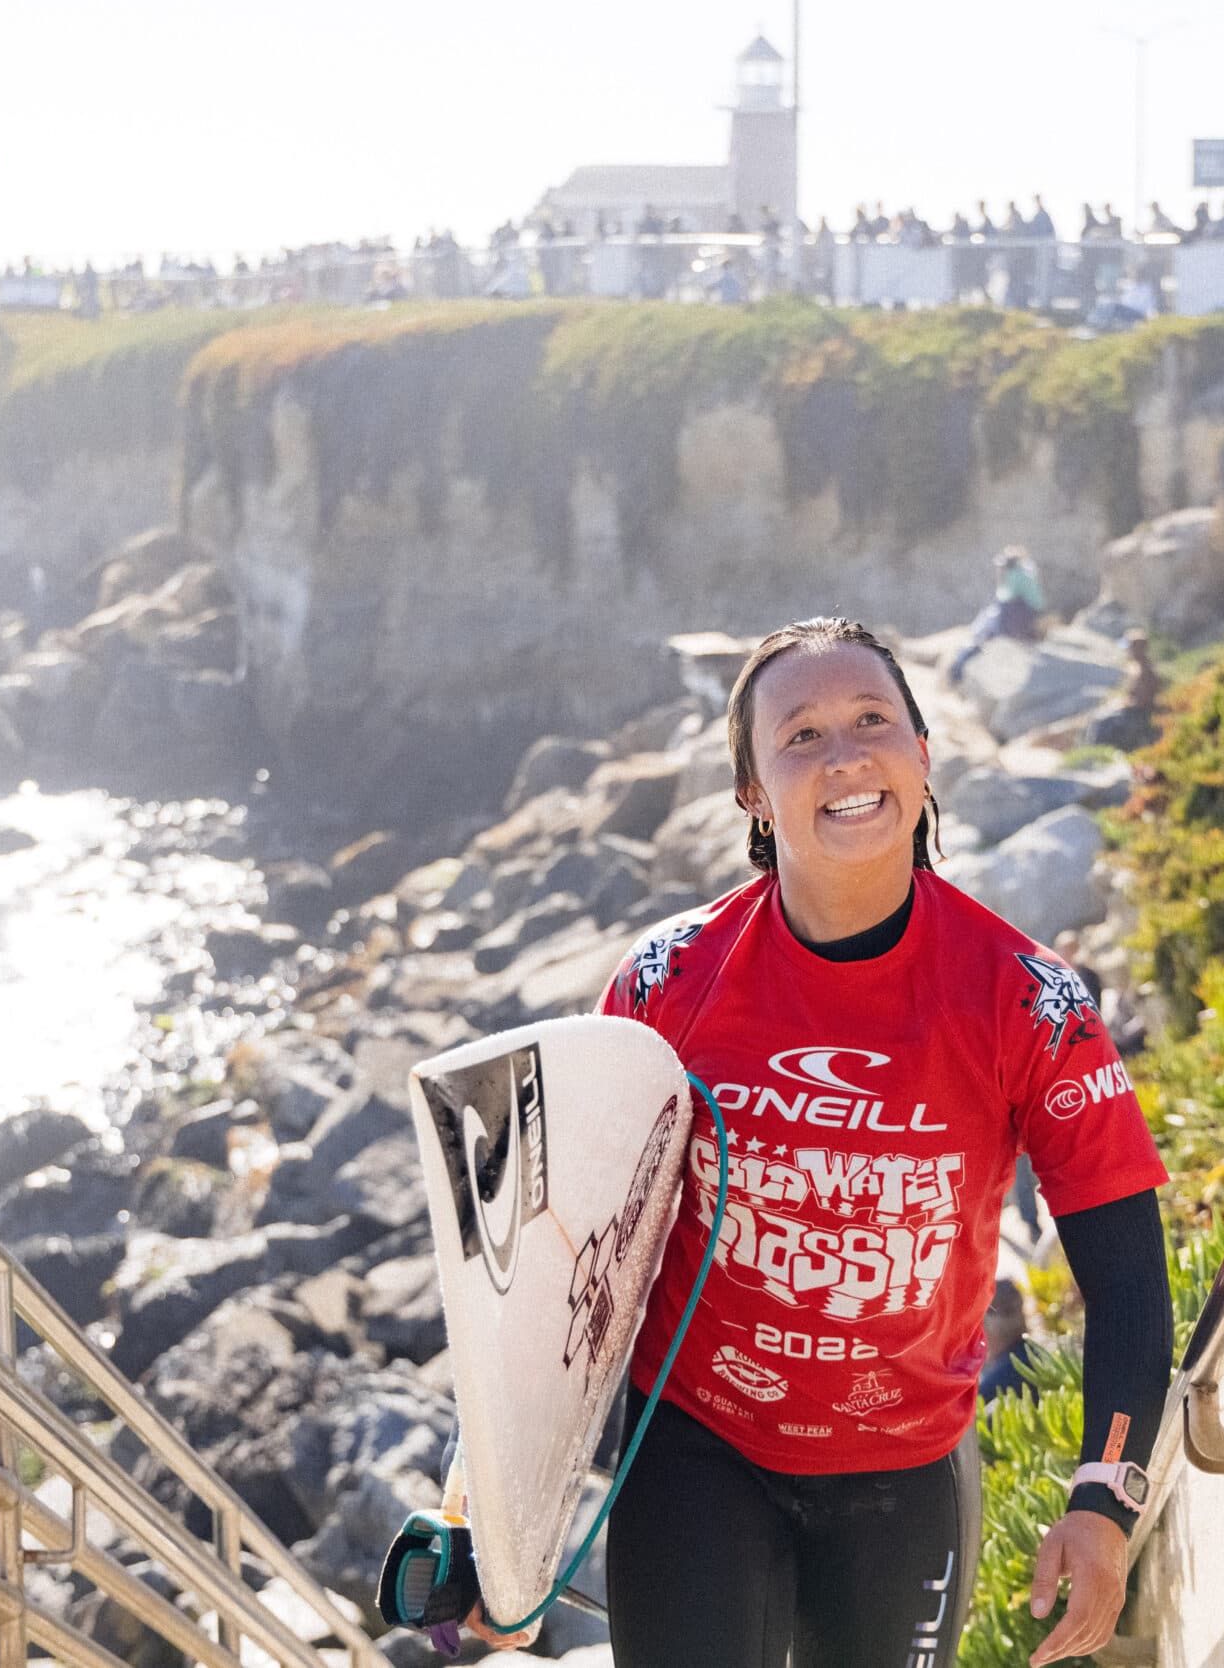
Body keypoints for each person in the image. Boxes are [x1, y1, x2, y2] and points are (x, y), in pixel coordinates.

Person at [464, 618, 1174, 1667]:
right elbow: (555, 1264)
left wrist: (1103, 1500)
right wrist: (493, 1520)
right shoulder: (667, 983)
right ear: (752, 790)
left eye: (872, 720)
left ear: (922, 755)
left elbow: (1126, 1280)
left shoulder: (1029, 1003)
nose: (844, 756)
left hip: (904, 1474)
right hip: (697, 1450)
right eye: (800, 734)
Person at [947, 547, 1047, 683]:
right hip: (1023, 618)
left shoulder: (1017, 575)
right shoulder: (1027, 571)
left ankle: (956, 671)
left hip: (1015, 619)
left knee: (981, 635)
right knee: (984, 628)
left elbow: (1005, 598)